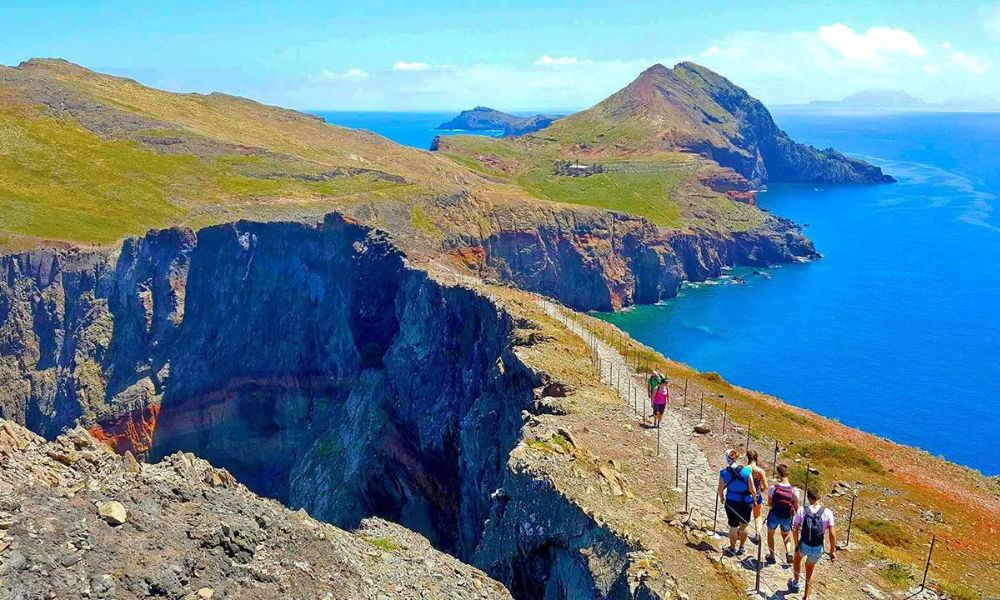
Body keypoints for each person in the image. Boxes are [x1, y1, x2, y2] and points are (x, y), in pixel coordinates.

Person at [789, 488, 836, 599]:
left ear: (809, 498)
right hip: (818, 546)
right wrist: (832, 551)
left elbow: (795, 528)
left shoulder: (802, 510)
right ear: (820, 498)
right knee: (810, 569)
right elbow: (832, 534)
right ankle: (807, 597)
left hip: (804, 543)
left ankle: (795, 582)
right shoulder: (827, 512)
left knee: (797, 558)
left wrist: (796, 544)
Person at [717, 449, 758, 557]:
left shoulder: (724, 473)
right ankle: (742, 547)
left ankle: (732, 548)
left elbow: (720, 490)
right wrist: (754, 499)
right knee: (744, 525)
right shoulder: (746, 471)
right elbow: (753, 489)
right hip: (746, 502)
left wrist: (722, 498)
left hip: (731, 501)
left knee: (733, 526)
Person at [765, 463, 800, 565]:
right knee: (786, 534)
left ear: (778, 474)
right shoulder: (794, 490)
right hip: (787, 517)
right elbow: (796, 507)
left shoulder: (773, 488)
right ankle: (788, 552)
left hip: (774, 515)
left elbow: (769, 503)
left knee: (770, 534)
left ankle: (772, 556)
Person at [745, 449, 769, 546]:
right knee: (757, 516)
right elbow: (766, 486)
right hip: (757, 496)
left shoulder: (745, 469)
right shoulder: (760, 471)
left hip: (746, 495)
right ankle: (757, 534)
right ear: (756, 458)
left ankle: (741, 532)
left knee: (745, 515)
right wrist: (761, 490)